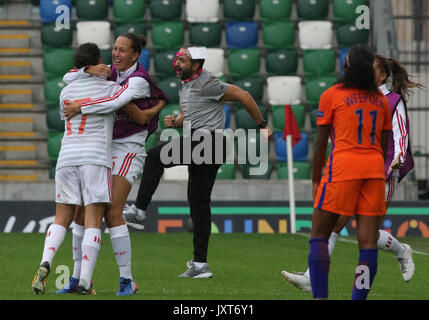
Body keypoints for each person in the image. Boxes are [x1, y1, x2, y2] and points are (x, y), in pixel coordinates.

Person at [122, 45, 273, 278]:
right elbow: (195, 112)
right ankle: (200, 265)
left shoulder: (208, 82)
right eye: (178, 58)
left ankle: (140, 210)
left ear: (197, 65)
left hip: (209, 142)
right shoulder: (185, 83)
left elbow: (244, 96)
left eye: (183, 60)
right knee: (198, 204)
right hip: (204, 143)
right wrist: (178, 121)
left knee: (154, 157)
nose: (177, 63)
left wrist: (262, 126)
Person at [281, 53, 423, 292]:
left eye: (373, 69)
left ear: (382, 75)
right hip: (355, 170)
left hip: (385, 170)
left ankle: (401, 251)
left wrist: (397, 157)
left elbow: (400, 135)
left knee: (364, 232)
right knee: (339, 225)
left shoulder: (392, 100)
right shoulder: (358, 98)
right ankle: (311, 278)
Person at [31, 43, 151, 295]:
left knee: (63, 217)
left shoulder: (66, 92)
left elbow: (68, 103)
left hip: (66, 158)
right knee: (93, 219)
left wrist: (83, 76)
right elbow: (119, 103)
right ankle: (84, 280)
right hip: (95, 158)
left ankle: (46, 262)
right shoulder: (110, 88)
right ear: (98, 61)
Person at [53, 33, 168, 296]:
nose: (116, 54)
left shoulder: (138, 80)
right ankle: (79, 279)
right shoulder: (109, 72)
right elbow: (69, 77)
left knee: (112, 211)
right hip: (102, 149)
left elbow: (116, 101)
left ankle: (127, 281)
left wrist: (81, 105)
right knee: (82, 214)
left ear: (136, 55)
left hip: (128, 148)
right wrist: (87, 68)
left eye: (123, 50)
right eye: (114, 49)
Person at [288, 44, 392, 300]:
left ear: (346, 65)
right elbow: (384, 144)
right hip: (374, 169)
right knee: (368, 243)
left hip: (343, 168)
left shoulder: (332, 95)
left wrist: (315, 180)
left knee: (320, 236)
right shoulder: (381, 100)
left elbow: (321, 144)